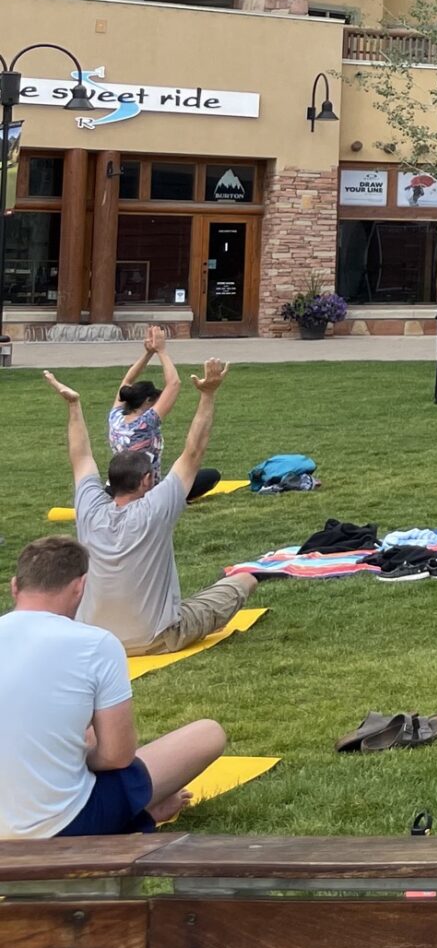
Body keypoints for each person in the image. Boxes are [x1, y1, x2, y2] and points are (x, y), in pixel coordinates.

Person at [0, 536, 229, 839]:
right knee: (207, 733)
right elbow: (116, 757)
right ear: (80, 586)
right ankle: (139, 811)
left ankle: (136, 810)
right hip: (62, 826)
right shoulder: (96, 644)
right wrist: (83, 751)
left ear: (15, 586)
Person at [50, 364, 259, 658]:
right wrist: (208, 395)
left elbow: (81, 455)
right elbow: (194, 452)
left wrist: (74, 405)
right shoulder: (156, 509)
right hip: (157, 637)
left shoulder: (89, 510)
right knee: (244, 579)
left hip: (96, 639)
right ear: (147, 480)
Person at [111, 326, 219, 502]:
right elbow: (174, 384)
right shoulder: (144, 424)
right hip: (147, 493)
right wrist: (161, 351)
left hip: (121, 487)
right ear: (147, 401)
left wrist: (147, 354)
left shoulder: (115, 417)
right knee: (211, 476)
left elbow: (127, 382)